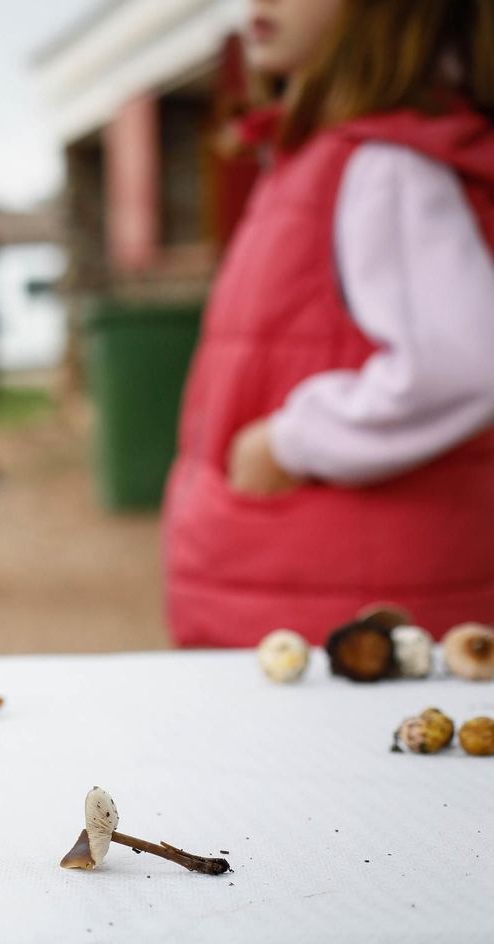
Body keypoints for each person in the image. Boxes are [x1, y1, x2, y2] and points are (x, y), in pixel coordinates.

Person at [164, 0, 494, 647]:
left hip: (344, 609)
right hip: (297, 588)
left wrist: (291, 441)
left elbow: (462, 363)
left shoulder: (385, 165)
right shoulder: (315, 158)